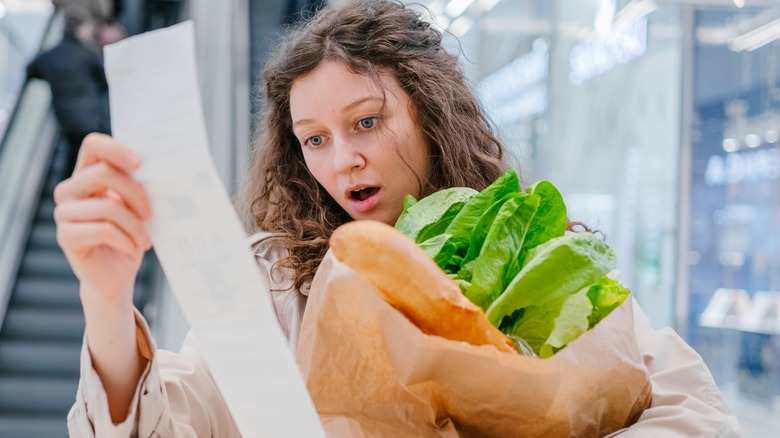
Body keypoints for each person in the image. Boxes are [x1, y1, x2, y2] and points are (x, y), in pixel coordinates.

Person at [55, 0, 740, 436]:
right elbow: (177, 418)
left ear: (433, 115)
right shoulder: (275, 277)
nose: (342, 160)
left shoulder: (538, 252)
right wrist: (106, 299)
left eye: (367, 121)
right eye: (315, 139)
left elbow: (688, 408)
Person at [27, 11, 110, 181]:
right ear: (79, 30)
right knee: (92, 151)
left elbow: (30, 70)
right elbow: (105, 80)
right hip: (88, 116)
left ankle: (67, 189)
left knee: (74, 153)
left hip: (65, 118)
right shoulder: (87, 54)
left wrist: (54, 78)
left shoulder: (49, 56)